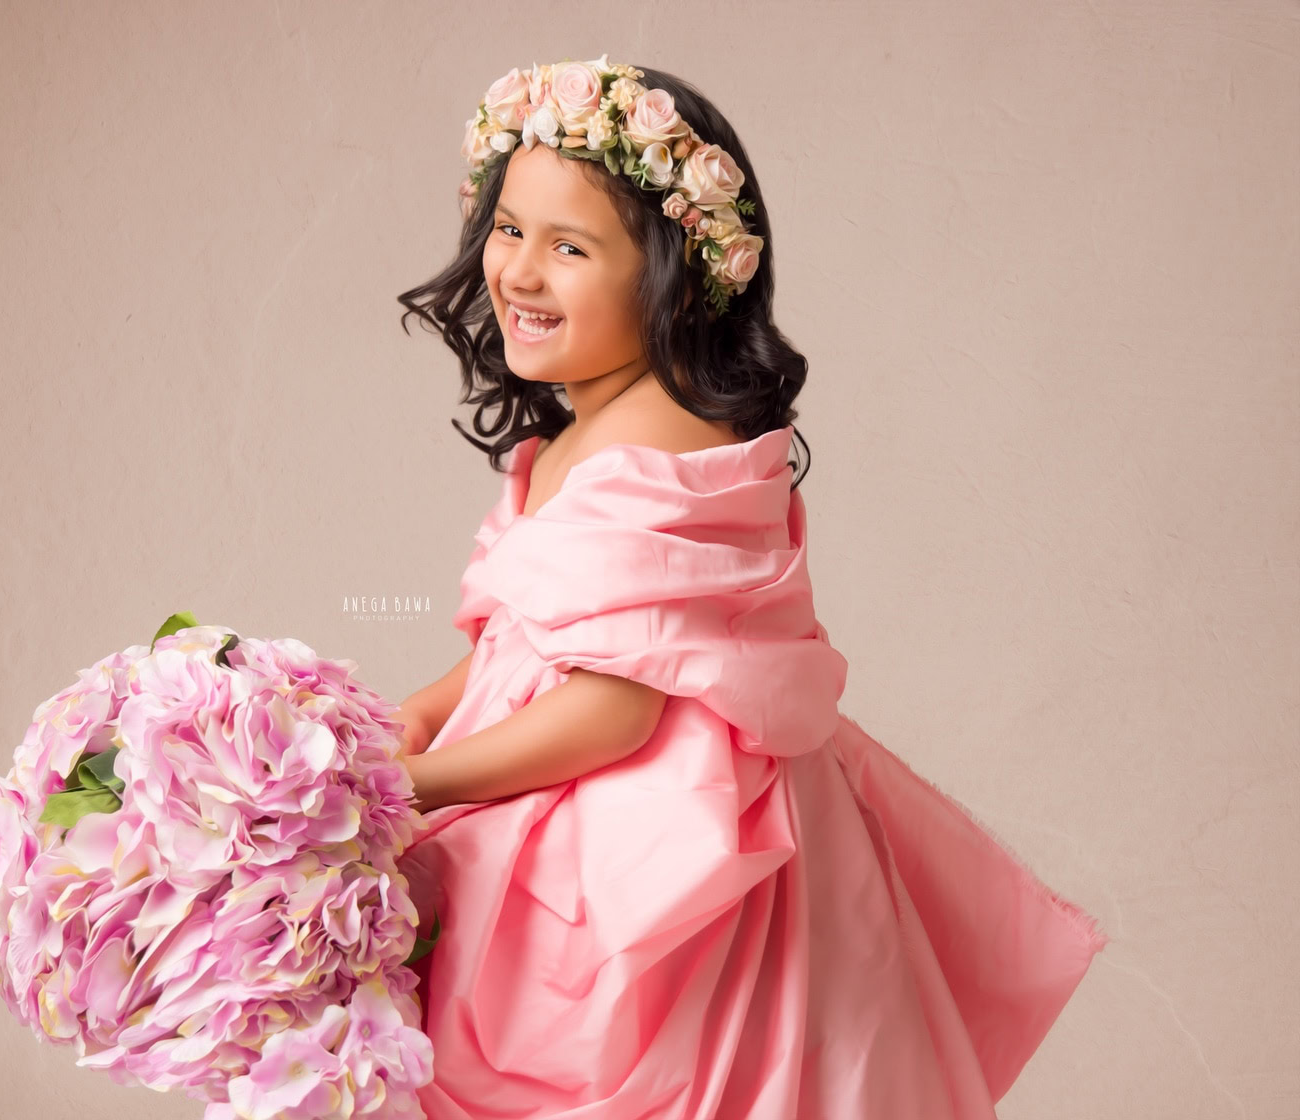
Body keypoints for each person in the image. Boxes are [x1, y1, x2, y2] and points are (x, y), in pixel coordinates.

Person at [390, 55, 1108, 1119]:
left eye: (570, 247)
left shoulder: (651, 451)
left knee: (665, 1069)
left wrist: (421, 785)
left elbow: (612, 707)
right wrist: (433, 703)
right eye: (507, 229)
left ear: (672, 273)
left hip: (641, 853)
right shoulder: (591, 423)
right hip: (578, 813)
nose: (520, 273)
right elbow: (550, 632)